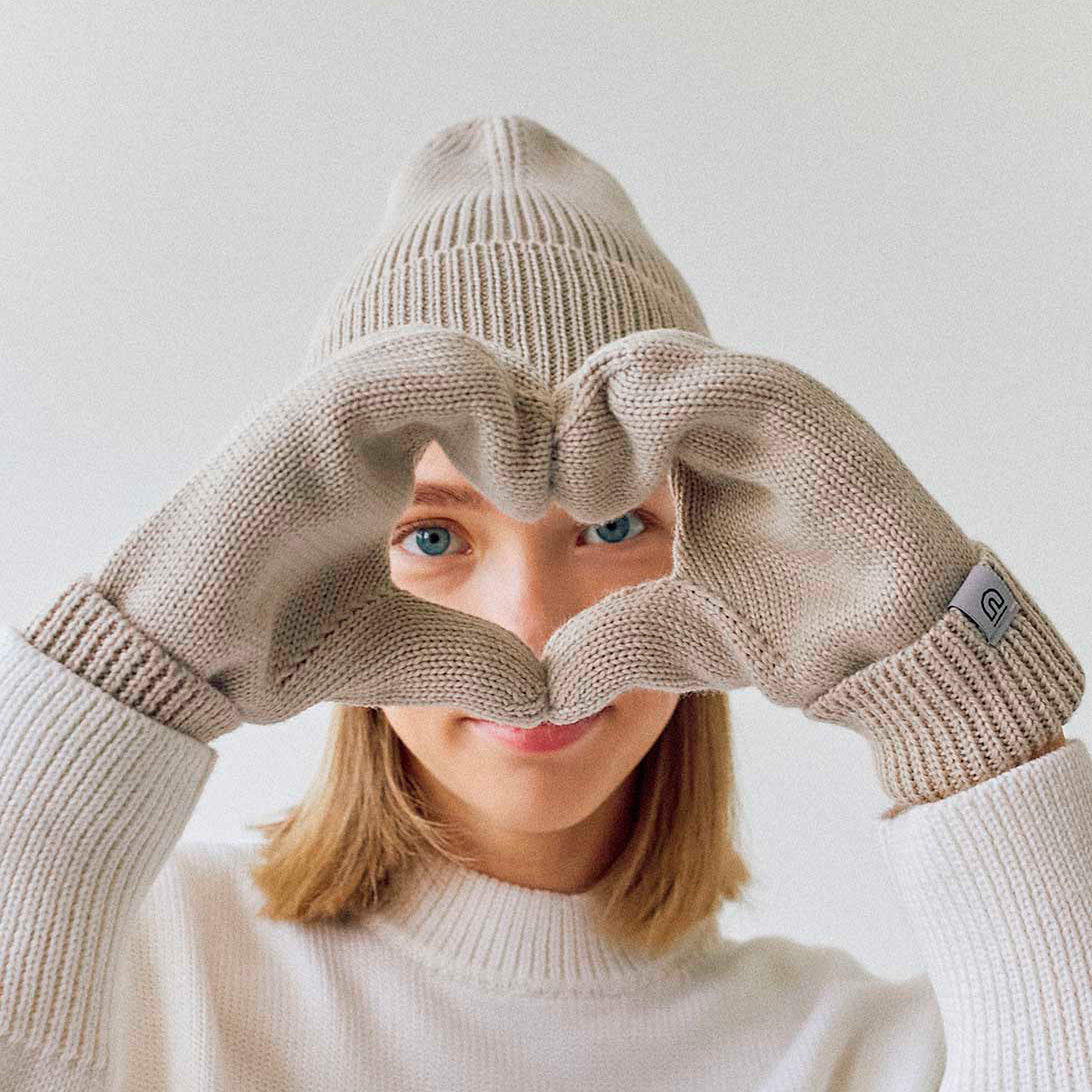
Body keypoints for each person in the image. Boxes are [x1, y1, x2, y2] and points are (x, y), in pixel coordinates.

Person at [1, 115, 1088, 1092]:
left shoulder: (879, 1052)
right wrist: (124, 675)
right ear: (321, 562)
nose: (533, 625)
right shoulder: (131, 960)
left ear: (722, 551)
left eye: (613, 527)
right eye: (434, 536)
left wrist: (962, 715)